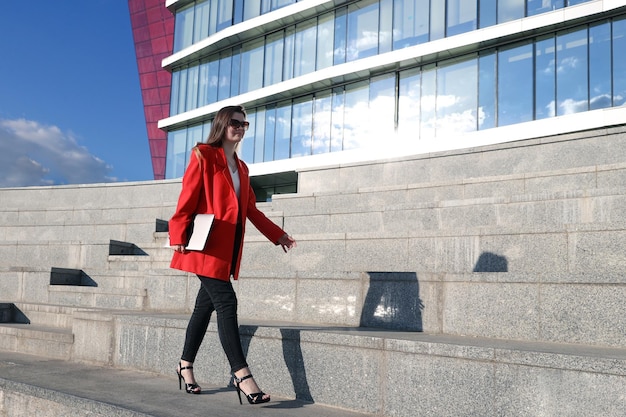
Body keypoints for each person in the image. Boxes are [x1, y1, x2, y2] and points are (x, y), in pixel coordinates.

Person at [168, 105, 296, 404]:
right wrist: (178, 233)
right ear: (222, 125)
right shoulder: (204, 155)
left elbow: (250, 209)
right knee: (227, 301)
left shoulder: (242, 167)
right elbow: (187, 196)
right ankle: (242, 376)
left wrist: (278, 235)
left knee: (204, 308)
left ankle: (184, 365)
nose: (239, 128)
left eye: (244, 124)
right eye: (234, 122)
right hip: (204, 245)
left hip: (227, 249)